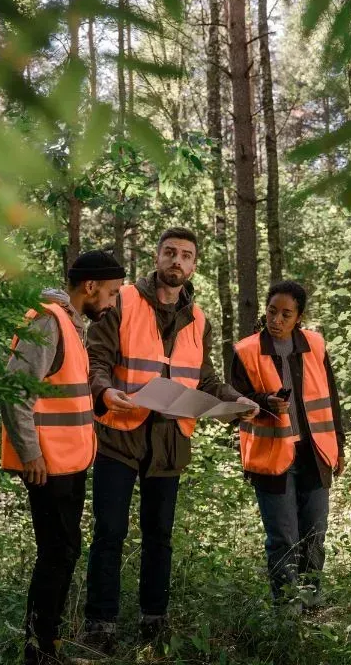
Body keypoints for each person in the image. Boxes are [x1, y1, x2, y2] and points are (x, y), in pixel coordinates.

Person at [82, 227, 259, 653]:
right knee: (109, 531)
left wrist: (238, 400)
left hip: (170, 441)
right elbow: (97, 361)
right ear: (157, 257)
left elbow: (207, 379)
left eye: (186, 255)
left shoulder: (199, 319)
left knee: (159, 533)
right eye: (169, 253)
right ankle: (100, 625)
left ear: (194, 265)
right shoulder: (121, 300)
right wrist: (105, 393)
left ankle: (153, 621)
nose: (177, 261)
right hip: (119, 435)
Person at [0, 250, 125, 665]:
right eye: (110, 293)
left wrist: (106, 400)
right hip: (46, 464)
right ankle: (39, 653)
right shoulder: (48, 321)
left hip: (67, 462)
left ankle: (44, 647)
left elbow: (66, 391)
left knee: (63, 551)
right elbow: (16, 390)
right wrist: (30, 453)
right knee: (58, 552)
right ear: (90, 287)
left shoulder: (69, 324)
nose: (110, 302)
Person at [231, 280, 346, 608]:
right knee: (283, 539)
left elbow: (331, 399)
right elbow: (236, 402)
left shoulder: (316, 345)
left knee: (314, 536)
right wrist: (264, 402)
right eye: (271, 311)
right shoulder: (246, 350)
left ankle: (312, 604)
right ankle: (287, 612)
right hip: (271, 459)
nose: (276, 319)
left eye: (286, 314)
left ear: (299, 316)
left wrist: (339, 445)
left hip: (315, 453)